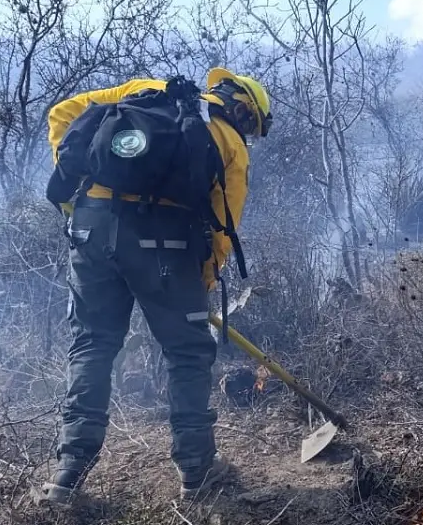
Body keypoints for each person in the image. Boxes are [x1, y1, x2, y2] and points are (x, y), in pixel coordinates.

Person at [33, 67, 272, 505]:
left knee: (92, 345)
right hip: (165, 242)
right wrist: (199, 283)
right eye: (252, 126)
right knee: (188, 350)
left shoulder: (143, 91)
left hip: (92, 228)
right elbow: (224, 229)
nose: (249, 134)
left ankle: (68, 476)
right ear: (242, 109)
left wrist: (76, 200)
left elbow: (62, 114)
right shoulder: (229, 140)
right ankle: (197, 473)